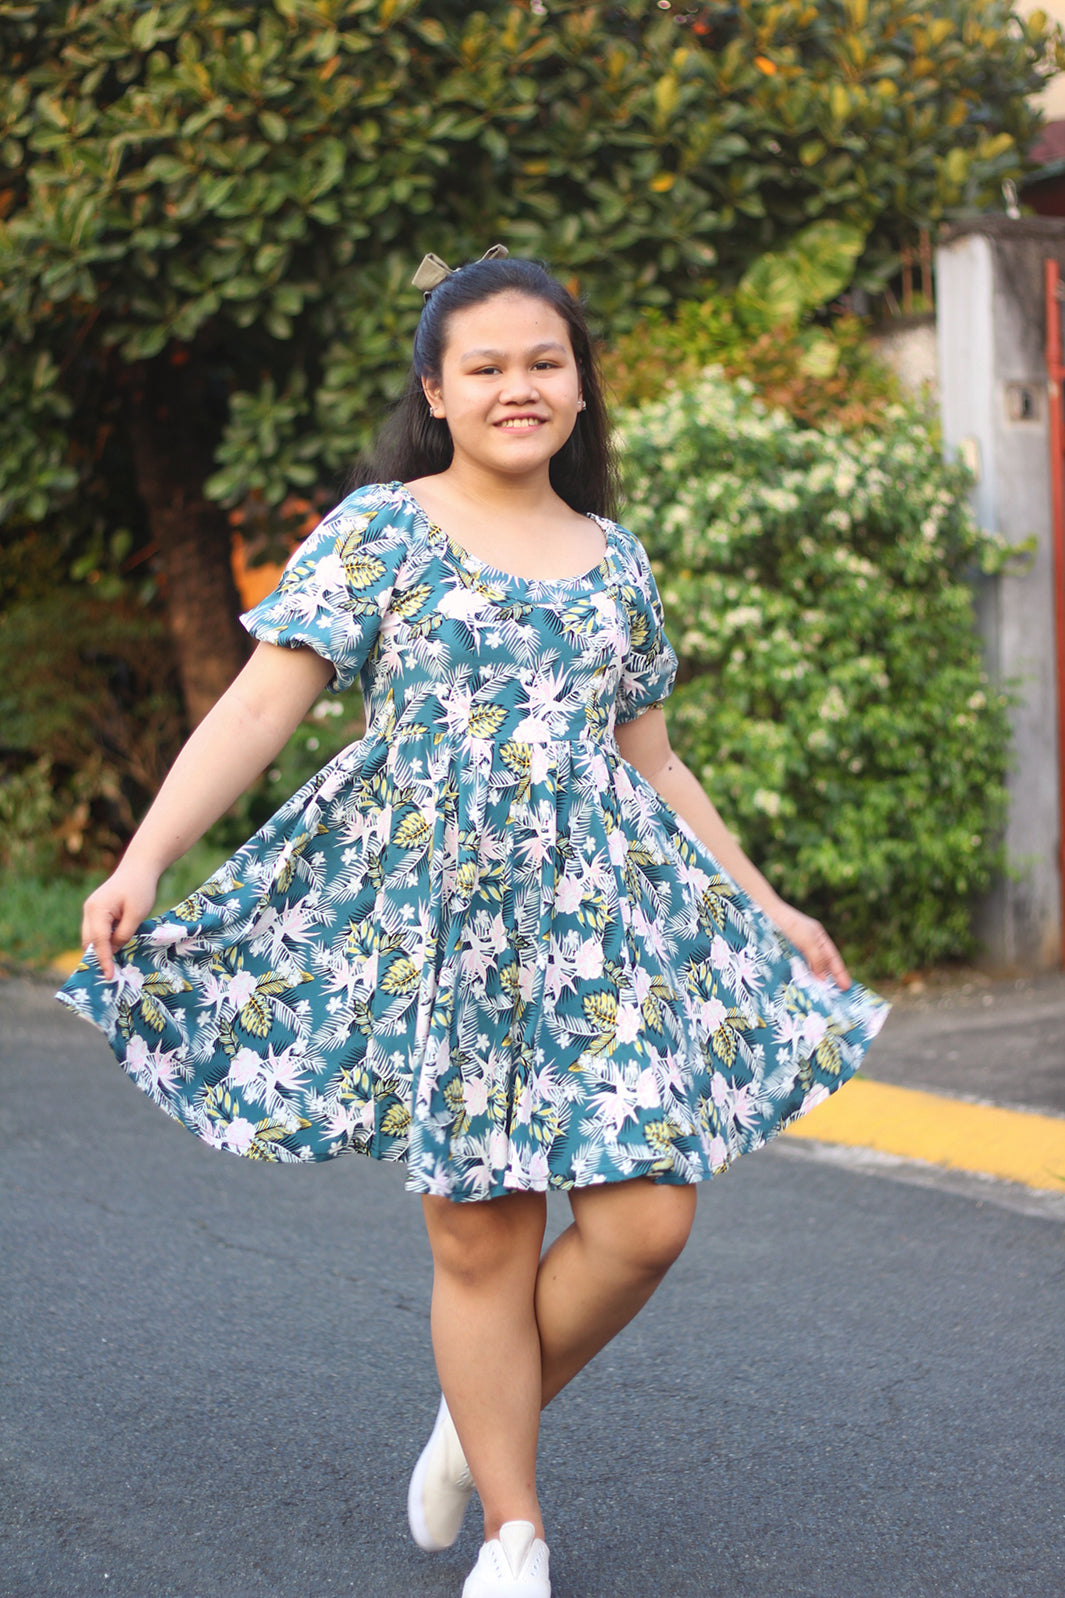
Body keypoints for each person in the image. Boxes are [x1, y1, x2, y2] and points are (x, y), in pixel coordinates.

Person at [58, 247, 888, 1598]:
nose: (520, 386)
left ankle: (477, 1405)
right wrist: (147, 855)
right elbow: (262, 703)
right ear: (436, 392)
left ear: (579, 387)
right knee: (482, 1234)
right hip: (435, 920)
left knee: (646, 1221)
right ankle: (515, 1532)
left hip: (593, 929)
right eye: (486, 366)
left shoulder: (614, 558)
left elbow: (654, 761)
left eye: (545, 362)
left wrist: (765, 902)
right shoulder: (380, 529)